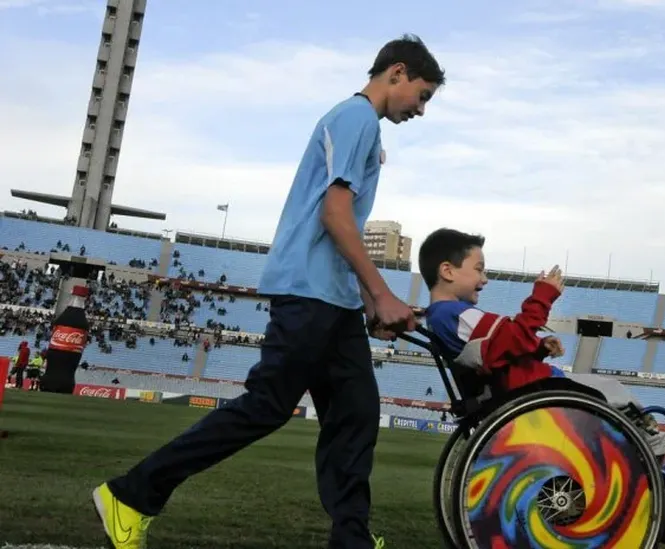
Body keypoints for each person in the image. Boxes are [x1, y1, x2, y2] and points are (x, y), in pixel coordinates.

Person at [92, 34, 445, 549]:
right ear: (397, 73)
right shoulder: (358, 118)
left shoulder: (357, 122)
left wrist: (370, 302)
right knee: (266, 406)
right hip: (309, 293)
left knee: (356, 413)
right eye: (423, 95)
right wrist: (381, 291)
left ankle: (350, 539)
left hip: (333, 299)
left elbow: (339, 222)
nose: (421, 109)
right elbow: (334, 214)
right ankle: (131, 495)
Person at [418, 228, 665, 458]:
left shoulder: (443, 316)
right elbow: (513, 337)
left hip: (521, 391)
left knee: (608, 392)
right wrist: (543, 296)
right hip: (537, 389)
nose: (484, 278)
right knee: (613, 391)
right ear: (447, 271)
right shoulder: (452, 314)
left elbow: (500, 353)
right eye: (479, 269)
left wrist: (538, 348)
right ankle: (657, 450)